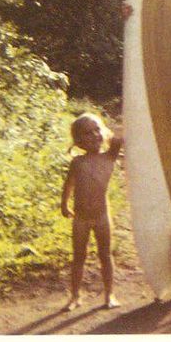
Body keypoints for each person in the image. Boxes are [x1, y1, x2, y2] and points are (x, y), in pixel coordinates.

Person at [61, 112, 123, 311]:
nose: (95, 135)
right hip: (80, 218)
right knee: (79, 256)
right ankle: (75, 296)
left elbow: (120, 137)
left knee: (105, 255)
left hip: (102, 216)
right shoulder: (77, 163)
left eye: (97, 130)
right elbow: (68, 185)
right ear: (79, 140)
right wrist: (64, 204)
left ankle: (109, 294)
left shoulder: (110, 157)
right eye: (88, 133)